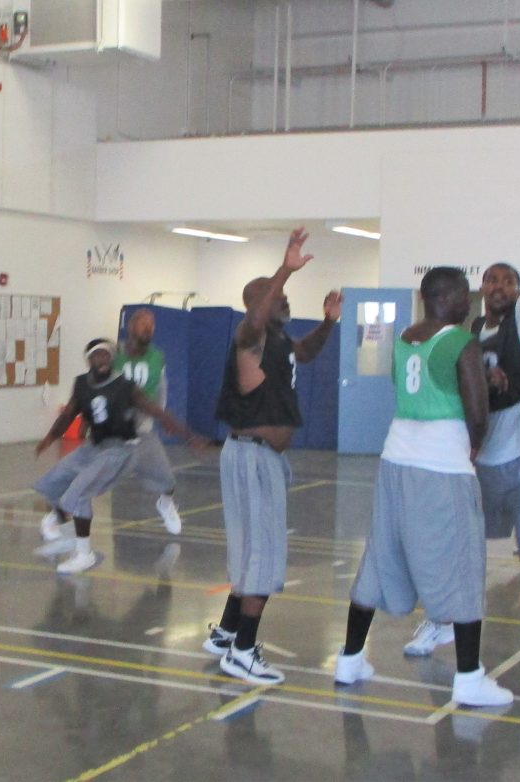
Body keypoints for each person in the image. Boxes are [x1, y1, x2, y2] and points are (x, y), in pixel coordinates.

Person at [402, 166, 520, 697]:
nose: (500, 286)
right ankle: (442, 619)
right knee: (464, 548)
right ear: (480, 290)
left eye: (507, 280)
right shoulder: (469, 333)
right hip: (482, 455)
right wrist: (480, 382)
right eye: (491, 280)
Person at [333, 267, 513, 707]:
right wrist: (475, 442)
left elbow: (413, 388)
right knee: (464, 565)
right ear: (447, 297)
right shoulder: (460, 342)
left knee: (380, 555)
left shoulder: (404, 338)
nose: (469, 299)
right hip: (442, 467)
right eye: (464, 294)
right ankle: (469, 679)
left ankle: (350, 658)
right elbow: (475, 413)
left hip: (395, 459)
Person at [202, 227, 342, 686]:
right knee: (263, 557)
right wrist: (284, 269)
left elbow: (308, 352)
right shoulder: (250, 337)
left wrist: (328, 322)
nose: (283, 299)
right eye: (274, 295)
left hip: (260, 458)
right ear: (257, 303)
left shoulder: (281, 343)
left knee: (249, 553)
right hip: (252, 457)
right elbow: (257, 318)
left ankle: (225, 633)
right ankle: (243, 651)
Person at [34, 338, 202, 574]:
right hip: (96, 445)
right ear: (89, 360)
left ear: (112, 358)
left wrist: (188, 434)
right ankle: (63, 522)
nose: (102, 360)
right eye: (97, 355)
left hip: (122, 448)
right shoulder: (82, 384)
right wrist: (50, 438)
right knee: (56, 478)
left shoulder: (124, 385)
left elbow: (154, 409)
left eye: (106, 355)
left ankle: (84, 552)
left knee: (86, 487)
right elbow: (69, 414)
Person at [113, 308, 183, 535]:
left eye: (152, 325)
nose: (149, 328)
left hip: (142, 428)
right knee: (86, 476)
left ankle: (165, 504)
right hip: (113, 429)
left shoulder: (157, 356)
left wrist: (159, 416)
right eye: (144, 324)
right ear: (131, 327)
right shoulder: (115, 353)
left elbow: (161, 388)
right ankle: (58, 515)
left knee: (167, 479)